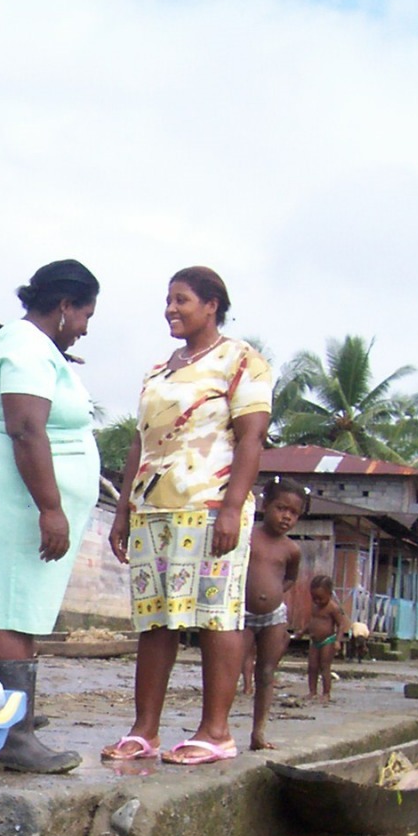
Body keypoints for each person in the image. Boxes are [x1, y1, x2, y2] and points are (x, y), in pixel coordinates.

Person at [103, 267, 273, 765]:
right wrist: (124, 511)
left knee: (216, 615)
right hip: (154, 510)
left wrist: (232, 507)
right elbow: (140, 442)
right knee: (155, 620)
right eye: (168, 300)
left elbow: (251, 438)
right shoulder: (159, 371)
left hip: (210, 508)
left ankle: (215, 732)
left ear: (212, 305)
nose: (171, 309)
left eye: (182, 300)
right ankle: (144, 730)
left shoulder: (242, 361)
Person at [0, 259, 103, 774]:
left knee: (12, 608)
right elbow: (26, 429)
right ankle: (13, 738)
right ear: (64, 306)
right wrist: (51, 508)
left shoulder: (37, 348)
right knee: (11, 610)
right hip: (20, 497)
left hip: (20, 495)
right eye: (85, 313)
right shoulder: (25, 348)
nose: (85, 327)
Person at [244, 478, 306, 750]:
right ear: (265, 504)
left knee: (267, 672)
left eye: (293, 513)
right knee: (230, 668)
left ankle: (259, 732)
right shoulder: (247, 536)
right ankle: (217, 727)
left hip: (273, 617)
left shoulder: (291, 549)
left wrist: (275, 594)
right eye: (281, 508)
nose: (286, 517)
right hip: (241, 614)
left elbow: (290, 578)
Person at [301, 573, 348, 703]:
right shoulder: (315, 607)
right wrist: (302, 632)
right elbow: (312, 622)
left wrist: (338, 641)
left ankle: (326, 693)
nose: (317, 601)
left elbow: (341, 624)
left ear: (329, 594)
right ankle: (312, 691)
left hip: (328, 640)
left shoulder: (333, 607)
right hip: (314, 641)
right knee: (312, 666)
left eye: (320, 598)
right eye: (314, 598)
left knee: (324, 666)